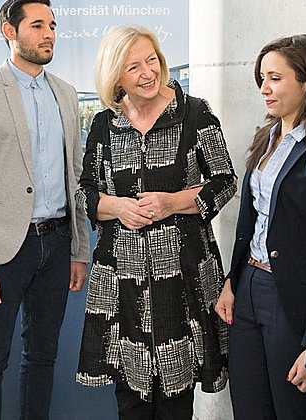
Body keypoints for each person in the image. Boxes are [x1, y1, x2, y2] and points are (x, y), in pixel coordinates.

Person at [76, 24, 236, 419]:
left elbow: (225, 181)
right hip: (120, 284)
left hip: (181, 279)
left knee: (176, 399)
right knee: (129, 400)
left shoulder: (195, 113)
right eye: (133, 67)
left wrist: (173, 202)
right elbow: (85, 192)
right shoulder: (103, 124)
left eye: (152, 60)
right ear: (115, 76)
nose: (147, 73)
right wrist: (117, 207)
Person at [0, 0, 90, 418]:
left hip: (57, 242)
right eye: (37, 25)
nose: (49, 33)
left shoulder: (65, 93)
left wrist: (79, 248)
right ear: (9, 32)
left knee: (43, 355)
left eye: (52, 25)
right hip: (3, 250)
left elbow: (76, 176)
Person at [214, 34, 306, 419]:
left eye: (275, 78)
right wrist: (232, 281)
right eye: (261, 78)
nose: (264, 89)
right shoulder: (265, 137)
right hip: (250, 287)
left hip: (293, 299)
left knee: (291, 409)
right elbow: (250, 219)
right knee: (249, 407)